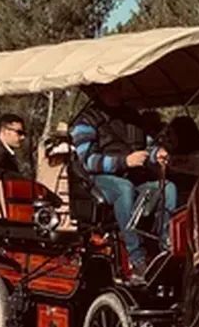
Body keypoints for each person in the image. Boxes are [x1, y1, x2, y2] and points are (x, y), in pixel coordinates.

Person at [70, 88, 176, 276]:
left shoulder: (133, 117)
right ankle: (136, 257)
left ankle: (165, 245)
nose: (119, 90)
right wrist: (124, 161)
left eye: (120, 85)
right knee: (123, 188)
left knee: (168, 188)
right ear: (101, 89)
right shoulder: (86, 122)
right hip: (99, 179)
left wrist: (156, 154)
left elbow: (148, 146)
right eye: (113, 85)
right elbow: (88, 161)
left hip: (134, 177)